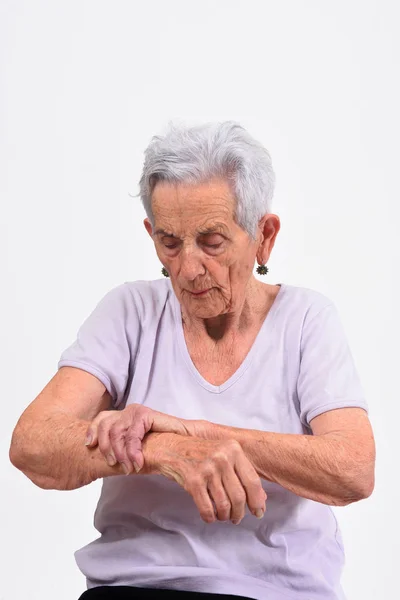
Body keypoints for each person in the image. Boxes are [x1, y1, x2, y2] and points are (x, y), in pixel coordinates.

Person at [9, 121, 375, 600]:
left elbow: (353, 468)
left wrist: (201, 436)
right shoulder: (130, 312)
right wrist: (162, 452)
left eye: (212, 241)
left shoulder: (306, 320)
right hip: (136, 588)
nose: (187, 268)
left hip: (277, 592)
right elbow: (32, 443)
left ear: (263, 236)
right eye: (169, 241)